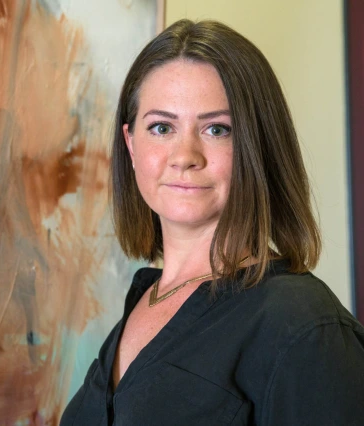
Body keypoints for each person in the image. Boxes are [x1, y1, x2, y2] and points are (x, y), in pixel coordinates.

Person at [60, 19, 364, 425]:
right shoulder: (144, 302)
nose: (185, 155)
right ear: (131, 145)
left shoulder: (304, 327)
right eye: (162, 127)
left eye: (217, 129)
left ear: (259, 146)